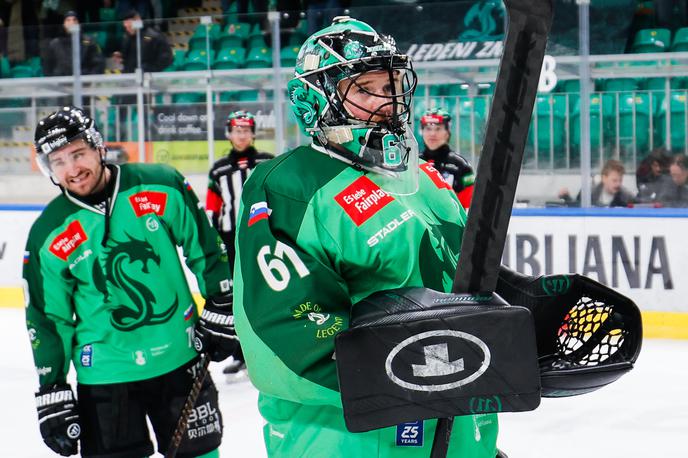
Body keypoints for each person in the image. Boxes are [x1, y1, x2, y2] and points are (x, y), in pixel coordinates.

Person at [232, 16, 499, 457]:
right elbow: (288, 331)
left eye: (391, 85)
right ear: (315, 100)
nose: (385, 102)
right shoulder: (290, 185)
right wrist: (426, 374)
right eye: (363, 89)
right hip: (346, 438)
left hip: (455, 425)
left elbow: (463, 282)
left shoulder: (425, 176)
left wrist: (515, 328)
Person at [24, 106, 239, 457]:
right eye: (58, 161)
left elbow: (206, 248)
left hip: (179, 358)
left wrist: (222, 302)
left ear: (98, 147)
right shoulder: (49, 233)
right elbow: (48, 319)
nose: (72, 169)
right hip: (106, 376)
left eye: (78, 154)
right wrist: (53, 387)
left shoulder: (161, 184)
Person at [205, 110, 272, 381]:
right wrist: (214, 239)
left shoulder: (267, 162)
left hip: (262, 235)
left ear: (253, 133)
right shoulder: (219, 169)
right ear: (229, 134)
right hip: (231, 240)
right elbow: (213, 207)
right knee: (240, 297)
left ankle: (270, 348)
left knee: (267, 291)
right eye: (237, 130)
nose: (241, 135)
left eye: (246, 130)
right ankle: (241, 352)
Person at [420, 107, 475, 209]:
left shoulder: (461, 165)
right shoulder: (413, 163)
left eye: (438, 128)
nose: (432, 134)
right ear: (421, 131)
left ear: (447, 132)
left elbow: (469, 206)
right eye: (428, 128)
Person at [43, 11, 106, 77]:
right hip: (61, 84)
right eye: (68, 20)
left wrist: (90, 80)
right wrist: (55, 83)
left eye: (74, 20)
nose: (71, 22)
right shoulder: (54, 44)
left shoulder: (88, 42)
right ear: (64, 24)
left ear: (78, 23)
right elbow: (47, 67)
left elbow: (99, 63)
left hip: (84, 83)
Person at [558, 159, 635, 207]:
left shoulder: (626, 196)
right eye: (614, 180)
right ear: (604, 178)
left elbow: (639, 205)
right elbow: (577, 207)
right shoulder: (589, 192)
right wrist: (566, 197)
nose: (618, 184)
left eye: (620, 180)